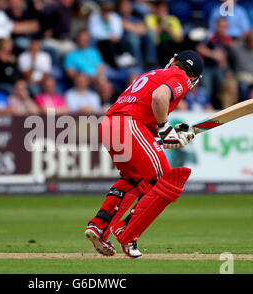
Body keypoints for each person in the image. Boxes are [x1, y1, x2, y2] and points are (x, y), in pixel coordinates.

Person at [85, 50, 203, 259]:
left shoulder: (153, 74)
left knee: (135, 179)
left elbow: (146, 114)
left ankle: (99, 227)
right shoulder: (181, 78)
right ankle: (126, 231)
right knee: (167, 182)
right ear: (193, 78)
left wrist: (172, 134)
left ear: (174, 61)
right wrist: (167, 129)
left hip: (109, 125)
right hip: (129, 126)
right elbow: (159, 98)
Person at [197, 17, 231, 108]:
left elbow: (224, 54)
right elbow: (200, 48)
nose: (223, 29)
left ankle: (220, 108)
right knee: (207, 88)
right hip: (206, 67)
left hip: (218, 67)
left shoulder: (226, 39)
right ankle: (207, 106)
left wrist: (224, 64)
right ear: (217, 26)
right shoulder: (210, 35)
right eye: (221, 26)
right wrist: (213, 55)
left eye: (225, 27)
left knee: (222, 87)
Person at [145, 0, 183, 66]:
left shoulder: (173, 19)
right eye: (161, 9)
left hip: (172, 46)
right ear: (156, 9)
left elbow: (179, 39)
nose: (163, 11)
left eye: (165, 9)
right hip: (157, 46)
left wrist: (168, 28)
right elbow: (151, 36)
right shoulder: (150, 18)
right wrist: (161, 25)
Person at [229, 31, 253, 100]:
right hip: (241, 77)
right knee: (243, 88)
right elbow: (229, 60)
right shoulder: (237, 49)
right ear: (248, 42)